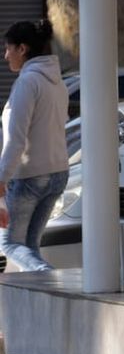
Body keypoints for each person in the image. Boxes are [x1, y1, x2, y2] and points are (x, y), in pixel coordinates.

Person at [0, 19, 69, 271]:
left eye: (8, 48)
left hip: (30, 176)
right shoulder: (56, 82)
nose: (6, 55)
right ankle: (42, 303)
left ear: (22, 48)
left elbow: (15, 139)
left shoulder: (28, 82)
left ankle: (48, 277)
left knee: (9, 245)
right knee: (29, 247)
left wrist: (1, 179)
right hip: (58, 173)